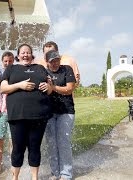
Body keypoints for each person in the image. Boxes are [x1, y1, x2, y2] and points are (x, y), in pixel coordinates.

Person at [0, 44, 53, 180]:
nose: (25, 55)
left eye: (28, 52)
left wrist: (48, 86)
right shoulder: (11, 69)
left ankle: (34, 177)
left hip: (39, 116)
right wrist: (20, 85)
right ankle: (15, 178)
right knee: (18, 148)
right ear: (18, 56)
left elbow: (50, 89)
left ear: (31, 55)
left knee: (35, 147)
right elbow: (3, 89)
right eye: (23, 53)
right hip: (17, 116)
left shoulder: (40, 68)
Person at [45, 50, 76, 180]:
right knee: (51, 143)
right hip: (48, 113)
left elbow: (69, 89)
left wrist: (53, 88)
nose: (55, 63)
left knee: (63, 142)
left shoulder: (67, 69)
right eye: (52, 61)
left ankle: (66, 174)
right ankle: (55, 172)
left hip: (66, 112)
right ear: (47, 62)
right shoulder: (43, 72)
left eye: (57, 60)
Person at [0, 51, 15, 177]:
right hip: (2, 111)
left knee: (13, 141)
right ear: (2, 62)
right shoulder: (0, 73)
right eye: (5, 61)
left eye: (10, 61)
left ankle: (13, 165)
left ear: (14, 61)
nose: (8, 63)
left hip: (14, 112)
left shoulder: (17, 72)